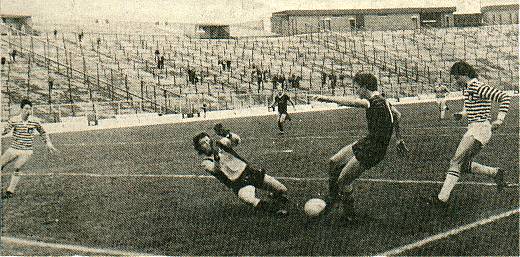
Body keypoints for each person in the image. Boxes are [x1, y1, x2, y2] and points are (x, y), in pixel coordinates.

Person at [312, 72, 408, 222]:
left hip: (373, 150)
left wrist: (325, 98)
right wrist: (398, 138)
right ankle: (332, 198)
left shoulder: (371, 101)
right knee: (334, 161)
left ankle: (348, 214)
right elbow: (397, 115)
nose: (356, 91)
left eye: (357, 88)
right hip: (367, 142)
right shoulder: (384, 100)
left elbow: (350, 102)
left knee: (343, 180)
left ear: (364, 88)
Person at [426, 61, 511, 208]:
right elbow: (470, 107)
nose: (456, 81)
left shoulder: (477, 86)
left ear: (464, 75)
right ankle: (496, 173)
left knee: (455, 161)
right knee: (464, 165)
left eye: (457, 77)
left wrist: (500, 119)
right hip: (474, 128)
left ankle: (442, 198)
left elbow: (504, 97)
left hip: (480, 129)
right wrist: (462, 114)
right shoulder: (467, 89)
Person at [192, 125, 289, 215]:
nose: (206, 144)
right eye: (202, 143)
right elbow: (215, 170)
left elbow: (237, 140)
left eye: (207, 140)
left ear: (210, 140)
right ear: (199, 148)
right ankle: (275, 210)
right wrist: (216, 159)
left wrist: (227, 134)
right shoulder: (206, 162)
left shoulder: (221, 144)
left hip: (250, 173)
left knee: (283, 189)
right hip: (238, 183)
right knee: (249, 199)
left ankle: (274, 194)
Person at [1, 100, 58, 199]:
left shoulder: (34, 121)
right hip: (14, 148)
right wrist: (4, 131)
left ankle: (10, 191)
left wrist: (48, 143)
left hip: (26, 150)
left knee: (17, 167)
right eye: (26, 109)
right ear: (21, 109)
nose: (28, 111)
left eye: (30, 109)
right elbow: (5, 131)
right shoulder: (14, 120)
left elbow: (43, 132)